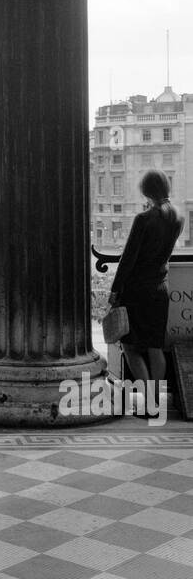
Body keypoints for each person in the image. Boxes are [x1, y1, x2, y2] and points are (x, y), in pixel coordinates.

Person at [108, 169, 184, 413]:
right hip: (160, 289)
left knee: (130, 347)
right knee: (155, 347)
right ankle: (156, 403)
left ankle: (148, 402)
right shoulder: (177, 218)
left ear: (146, 190)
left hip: (137, 291)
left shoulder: (144, 219)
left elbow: (128, 260)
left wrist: (114, 291)